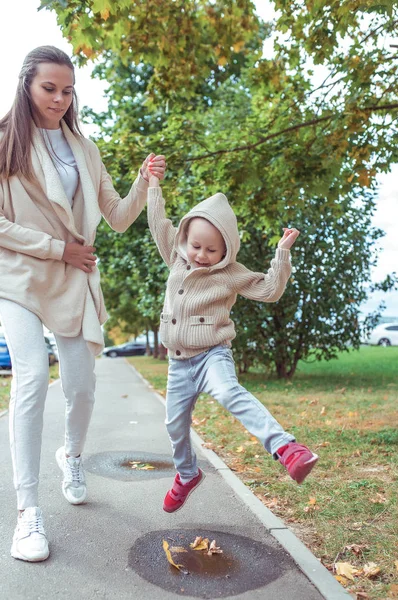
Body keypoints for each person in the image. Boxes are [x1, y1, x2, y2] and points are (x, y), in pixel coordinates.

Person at [0, 45, 165, 562]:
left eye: (67, 90)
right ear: (27, 84)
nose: (59, 98)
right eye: (49, 87)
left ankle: (70, 455)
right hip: (20, 276)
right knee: (30, 376)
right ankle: (28, 512)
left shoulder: (85, 149)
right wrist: (57, 248)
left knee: (82, 386)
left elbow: (115, 217)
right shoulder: (4, 143)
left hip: (73, 280)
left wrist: (143, 180)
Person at [146, 167, 318, 514]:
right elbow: (158, 223)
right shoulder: (176, 260)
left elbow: (270, 290)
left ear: (226, 250)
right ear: (185, 241)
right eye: (196, 246)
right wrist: (153, 185)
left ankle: (287, 449)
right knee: (174, 426)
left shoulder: (230, 274)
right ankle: (186, 474)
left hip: (212, 356)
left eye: (211, 249)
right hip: (178, 363)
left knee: (228, 391)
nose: (201, 255)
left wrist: (282, 253)